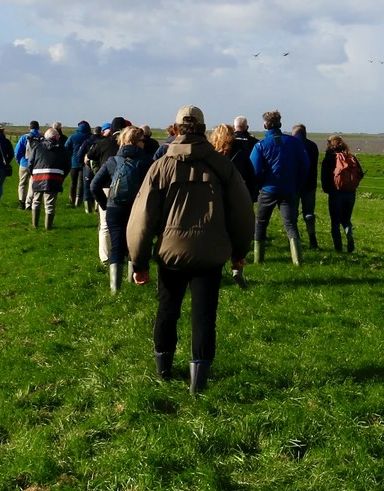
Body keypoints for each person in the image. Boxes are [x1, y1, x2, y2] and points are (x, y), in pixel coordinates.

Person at [128, 105, 254, 393]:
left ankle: (164, 367)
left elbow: (141, 219)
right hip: (210, 253)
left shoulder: (160, 166)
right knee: (204, 315)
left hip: (170, 253)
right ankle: (199, 380)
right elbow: (243, 213)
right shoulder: (222, 166)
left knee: (167, 309)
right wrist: (239, 252)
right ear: (202, 128)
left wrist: (139, 262)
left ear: (176, 129)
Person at [89, 125, 152, 293]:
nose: (144, 143)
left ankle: (114, 289)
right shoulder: (146, 161)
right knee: (134, 245)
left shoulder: (112, 161)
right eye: (142, 140)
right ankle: (132, 280)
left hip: (114, 208)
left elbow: (94, 186)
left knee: (116, 246)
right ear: (136, 141)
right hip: (136, 209)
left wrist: (105, 205)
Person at [250, 110, 314, 263]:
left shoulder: (261, 145)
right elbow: (305, 164)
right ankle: (297, 260)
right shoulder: (294, 142)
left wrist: (260, 184)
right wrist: (297, 182)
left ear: (265, 125)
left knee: (261, 223)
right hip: (289, 189)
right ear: (280, 124)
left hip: (268, 189)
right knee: (291, 223)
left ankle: (258, 258)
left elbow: (255, 169)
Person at [321, 134, 363, 253]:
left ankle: (338, 249)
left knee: (335, 221)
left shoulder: (330, 157)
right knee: (346, 219)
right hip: (350, 193)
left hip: (336, 193)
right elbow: (360, 173)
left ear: (330, 144)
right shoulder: (351, 156)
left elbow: (325, 177)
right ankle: (349, 234)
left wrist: (328, 190)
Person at [26, 124, 70, 229]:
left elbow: (30, 163)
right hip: (55, 178)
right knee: (50, 203)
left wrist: (33, 174)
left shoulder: (37, 147)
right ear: (55, 137)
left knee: (36, 201)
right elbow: (67, 165)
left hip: (37, 176)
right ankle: (48, 226)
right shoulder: (62, 149)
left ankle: (35, 224)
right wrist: (62, 177)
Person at [227, 116, 259, 202]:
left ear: (234, 127)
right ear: (247, 127)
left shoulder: (227, 142)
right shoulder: (255, 142)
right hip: (249, 181)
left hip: (230, 179)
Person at [65, 120, 96, 207]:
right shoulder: (90, 136)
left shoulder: (73, 136)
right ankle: (79, 200)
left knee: (73, 182)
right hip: (85, 163)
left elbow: (66, 147)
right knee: (82, 183)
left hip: (74, 162)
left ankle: (72, 199)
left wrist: (70, 156)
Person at [14, 120, 40, 207]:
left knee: (22, 183)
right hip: (36, 165)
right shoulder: (41, 138)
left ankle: (21, 202)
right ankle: (29, 203)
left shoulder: (24, 137)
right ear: (38, 128)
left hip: (24, 163)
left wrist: (19, 161)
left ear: (29, 128)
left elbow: (17, 151)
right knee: (32, 184)